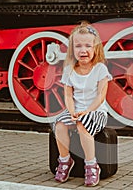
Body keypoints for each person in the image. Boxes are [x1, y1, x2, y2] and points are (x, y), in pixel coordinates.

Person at [53, 21, 112, 186]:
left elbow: (101, 95)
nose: (83, 50)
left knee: (82, 125)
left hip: (96, 111)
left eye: (88, 45)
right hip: (76, 110)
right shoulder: (69, 70)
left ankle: (91, 164)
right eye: (78, 46)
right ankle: (65, 161)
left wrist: (87, 111)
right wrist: (71, 111)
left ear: (95, 48)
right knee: (59, 124)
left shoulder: (100, 69)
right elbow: (68, 95)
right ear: (72, 49)